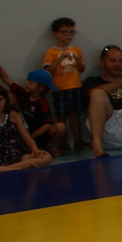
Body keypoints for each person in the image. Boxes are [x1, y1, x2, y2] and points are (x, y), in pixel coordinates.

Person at [0, 66, 66, 154]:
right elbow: (7, 80)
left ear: (40, 88)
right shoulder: (23, 93)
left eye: (31, 83)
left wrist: (32, 135)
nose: (26, 83)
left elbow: (48, 124)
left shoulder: (42, 102)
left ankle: (49, 145)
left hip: (39, 134)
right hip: (25, 131)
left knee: (60, 126)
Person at [43, 17, 86, 150]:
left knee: (75, 115)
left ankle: (78, 141)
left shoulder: (76, 50)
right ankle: (63, 143)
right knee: (61, 117)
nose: (69, 35)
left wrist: (78, 61)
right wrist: (60, 58)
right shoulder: (51, 51)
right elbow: (48, 70)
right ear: (55, 34)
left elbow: (82, 69)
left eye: (71, 32)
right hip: (60, 88)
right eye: (65, 32)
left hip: (76, 86)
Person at [0, 86, 52, 171]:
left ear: (5, 99)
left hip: (16, 153)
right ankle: (17, 168)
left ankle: (7, 169)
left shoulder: (13, 115)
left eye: (0, 99)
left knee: (46, 157)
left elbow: (27, 137)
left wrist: (35, 149)